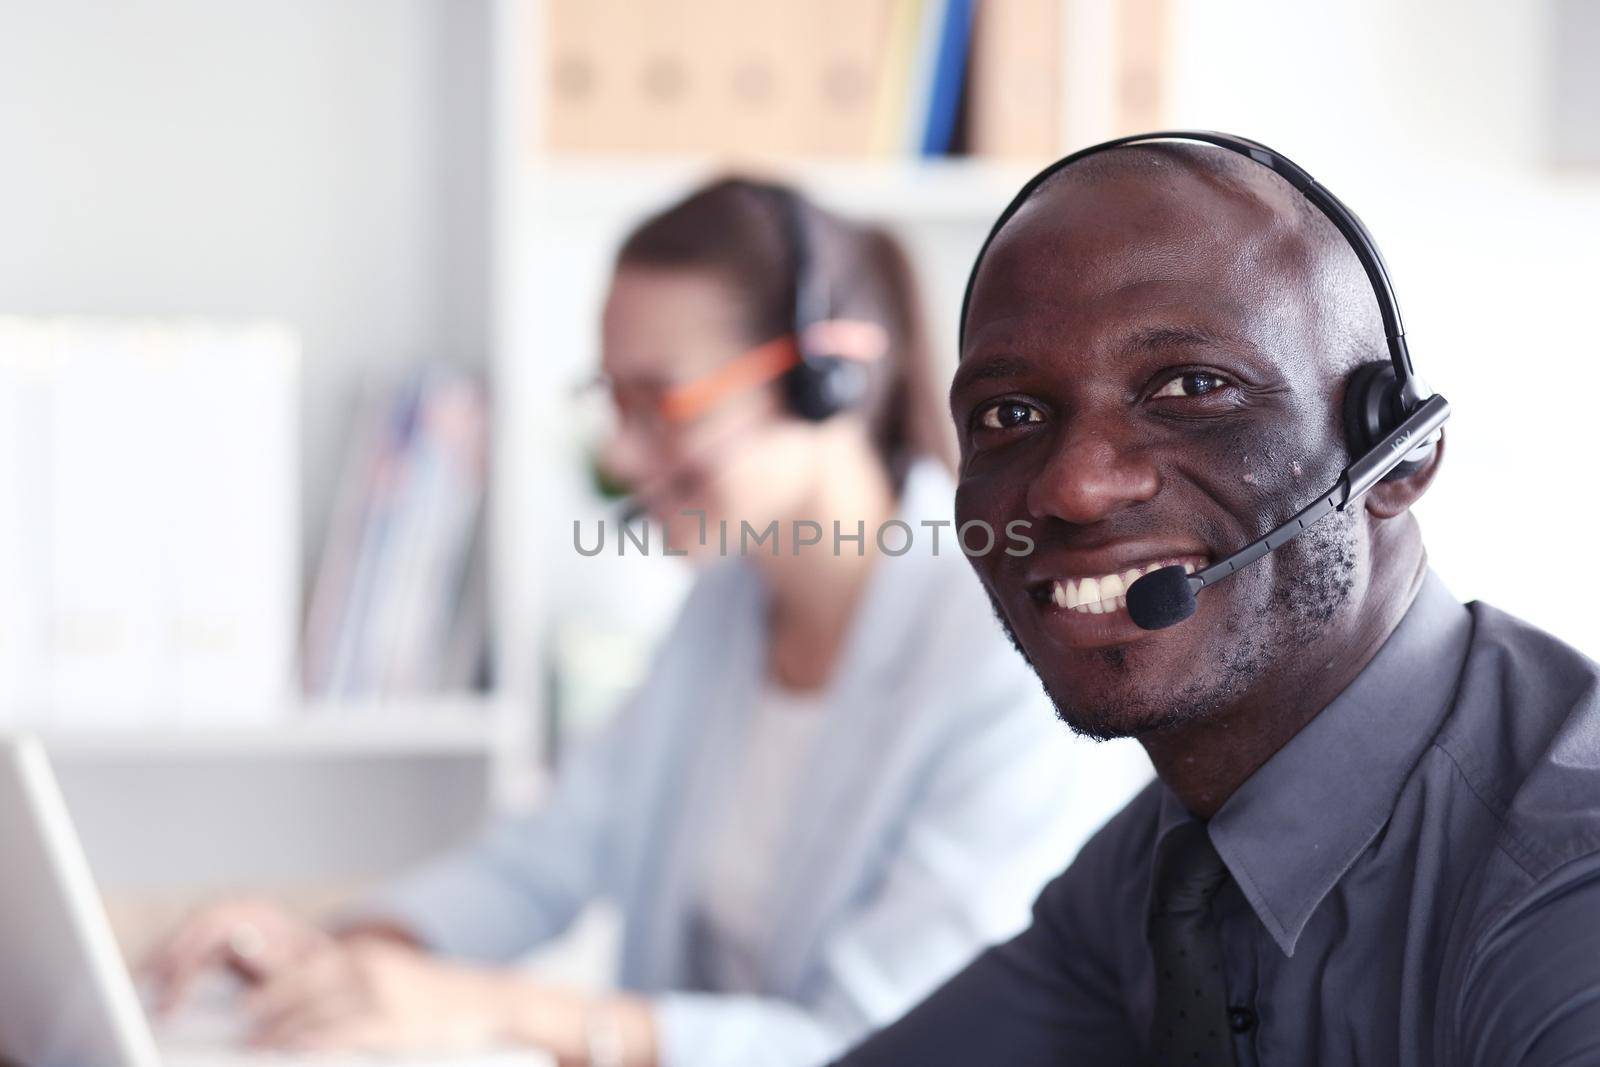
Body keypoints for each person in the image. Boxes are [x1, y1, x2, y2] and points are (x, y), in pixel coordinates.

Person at [143, 177, 1149, 1066]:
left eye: (661, 403)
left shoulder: (1008, 658)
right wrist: (350, 954)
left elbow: (877, 1042)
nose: (622, 458)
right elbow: (548, 853)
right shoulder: (727, 605)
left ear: (823, 378)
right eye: (611, 402)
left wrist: (503, 1009)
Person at [832, 135, 1600, 1066]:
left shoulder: (1565, 883)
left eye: (1194, 388)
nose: (1074, 486)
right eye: (1011, 415)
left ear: (1397, 453)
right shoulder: (1168, 864)